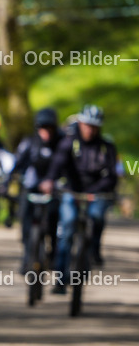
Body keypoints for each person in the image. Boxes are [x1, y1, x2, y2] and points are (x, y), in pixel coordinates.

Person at [40, 104, 117, 291]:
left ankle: (93, 249)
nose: (90, 129)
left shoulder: (106, 147)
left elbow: (112, 176)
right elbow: (57, 165)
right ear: (80, 123)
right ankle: (60, 278)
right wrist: (50, 180)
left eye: (94, 126)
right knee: (67, 226)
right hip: (71, 192)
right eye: (87, 125)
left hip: (96, 192)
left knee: (97, 217)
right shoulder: (69, 143)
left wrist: (97, 191)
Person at [13, 107, 61, 272]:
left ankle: (54, 255)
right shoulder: (29, 142)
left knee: (55, 218)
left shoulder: (61, 143)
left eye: (49, 128)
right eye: (43, 127)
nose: (46, 131)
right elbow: (17, 164)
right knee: (26, 221)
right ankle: (27, 257)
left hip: (54, 189)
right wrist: (9, 182)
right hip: (32, 188)